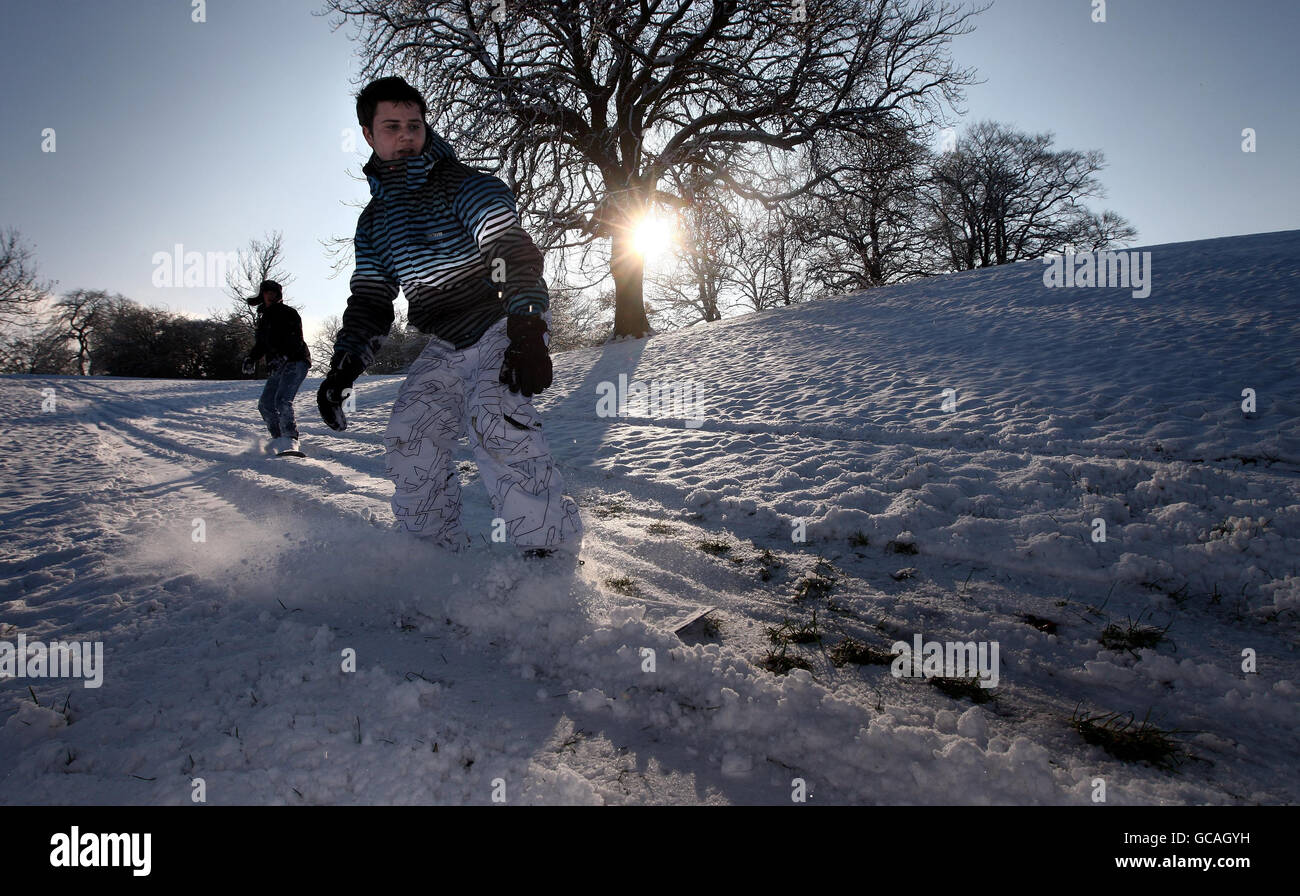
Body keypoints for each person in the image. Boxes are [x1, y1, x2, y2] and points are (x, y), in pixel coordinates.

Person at [317, 76, 583, 557]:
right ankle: (431, 558)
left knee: (496, 421)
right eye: (392, 126)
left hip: (500, 324)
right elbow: (373, 299)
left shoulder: (463, 186)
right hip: (444, 344)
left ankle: (549, 560)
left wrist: (526, 327)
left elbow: (510, 253)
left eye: (414, 125)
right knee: (407, 433)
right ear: (368, 134)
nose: (406, 136)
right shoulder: (374, 223)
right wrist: (346, 364)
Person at [242, 279, 311, 456]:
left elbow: (296, 338)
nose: (270, 295)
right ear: (262, 295)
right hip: (277, 365)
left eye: (274, 293)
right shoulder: (264, 319)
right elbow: (262, 344)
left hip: (295, 361)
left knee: (282, 400)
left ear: (279, 295)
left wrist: (285, 355)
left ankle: (289, 439)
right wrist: (251, 359)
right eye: (267, 292)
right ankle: (279, 439)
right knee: (265, 404)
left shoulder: (288, 313)